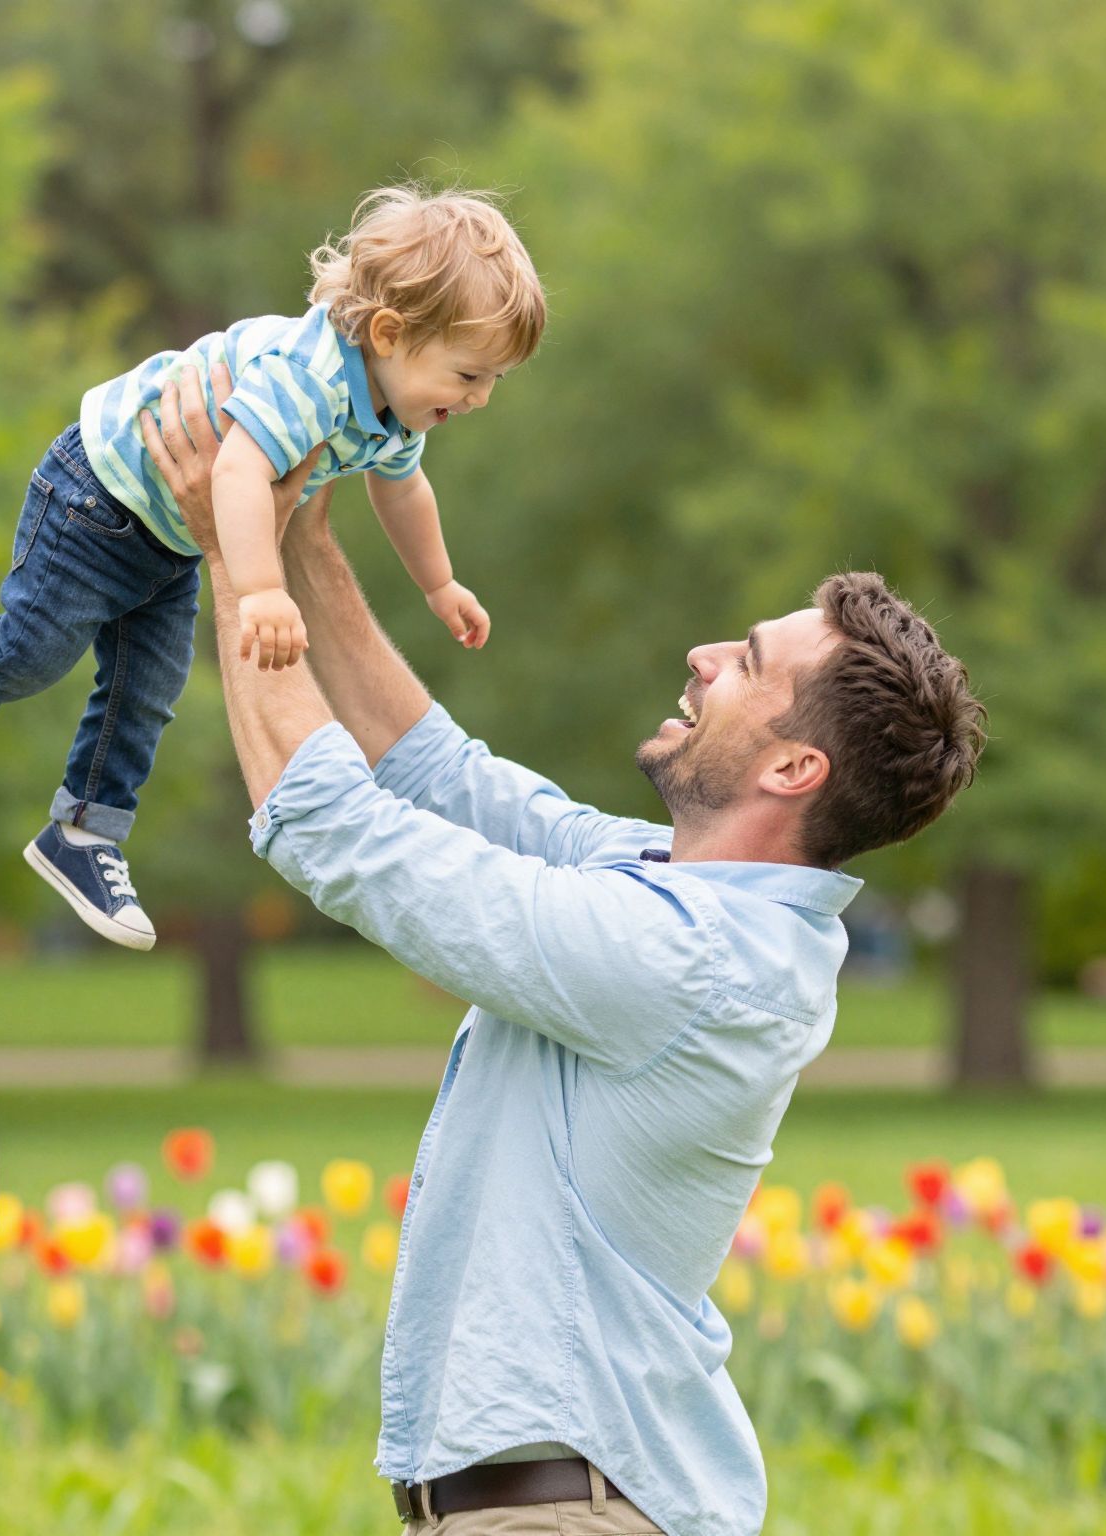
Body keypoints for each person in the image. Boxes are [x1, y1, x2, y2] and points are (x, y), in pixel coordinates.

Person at [139, 368, 986, 1536]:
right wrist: (302, 525)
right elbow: (437, 775)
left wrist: (240, 577)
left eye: (743, 660)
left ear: (793, 770)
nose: (700, 655)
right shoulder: (672, 891)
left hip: (563, 1514)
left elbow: (334, 828)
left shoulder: (686, 959)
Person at [0, 185, 546, 951]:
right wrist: (260, 589)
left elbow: (405, 490)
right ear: (389, 333)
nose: (482, 398)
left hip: (168, 538)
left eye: (495, 380)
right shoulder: (311, 378)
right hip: (98, 493)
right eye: (469, 376)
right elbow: (233, 473)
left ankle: (84, 834)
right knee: (40, 645)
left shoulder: (398, 412)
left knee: (148, 693)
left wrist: (439, 583)